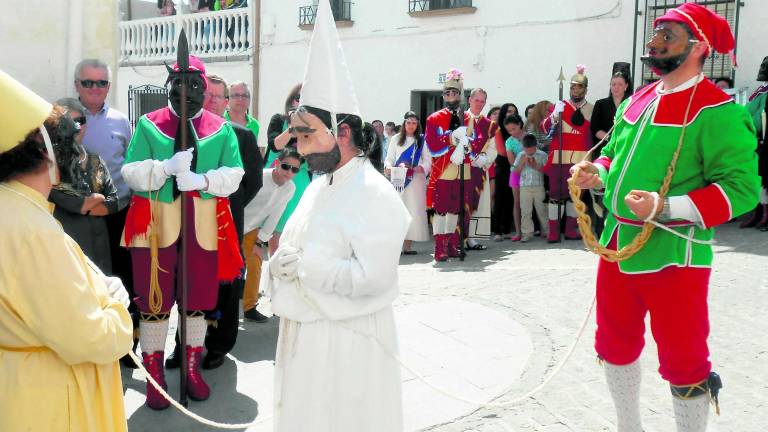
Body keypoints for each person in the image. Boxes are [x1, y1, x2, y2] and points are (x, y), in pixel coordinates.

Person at [570, 4, 759, 430]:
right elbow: (615, 157)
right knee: (614, 344)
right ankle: (628, 426)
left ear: (700, 47)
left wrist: (664, 207)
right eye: (654, 35)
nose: (655, 43)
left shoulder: (718, 110)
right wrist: (595, 175)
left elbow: (741, 190)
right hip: (618, 246)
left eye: (667, 36)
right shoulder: (637, 100)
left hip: (676, 253)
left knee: (684, 357)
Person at [265, 1, 410, 429]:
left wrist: (306, 267)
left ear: (342, 133)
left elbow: (374, 278)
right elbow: (291, 248)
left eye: (308, 135)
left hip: (349, 347)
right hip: (306, 341)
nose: (301, 146)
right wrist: (278, 265)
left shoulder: (377, 196)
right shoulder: (317, 186)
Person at [0, 69, 133, 432]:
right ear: (45, 149)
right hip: (51, 402)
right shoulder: (31, 230)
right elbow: (87, 337)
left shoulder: (14, 208)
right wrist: (117, 310)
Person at [121, 56, 244, 410]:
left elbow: (234, 173)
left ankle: (191, 367)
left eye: (193, 85)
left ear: (204, 90)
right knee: (153, 300)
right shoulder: (148, 124)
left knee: (199, 300)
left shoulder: (220, 129)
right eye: (177, 84)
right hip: (154, 224)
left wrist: (202, 181)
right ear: (168, 87)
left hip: (203, 223)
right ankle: (155, 375)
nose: (184, 92)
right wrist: (163, 169)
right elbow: (130, 170)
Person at [177, 73, 263, 370]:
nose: (211, 101)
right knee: (188, 283)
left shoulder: (242, 135)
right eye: (207, 95)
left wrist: (229, 205)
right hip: (190, 223)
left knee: (225, 287)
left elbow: (252, 183)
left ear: (226, 102)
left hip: (227, 223)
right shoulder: (186, 133)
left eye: (217, 96)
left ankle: (218, 346)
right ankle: (184, 345)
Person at [73, 58, 137, 367]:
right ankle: (94, 340)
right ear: (77, 85)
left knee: (124, 276)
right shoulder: (67, 117)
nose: (95, 88)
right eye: (88, 82)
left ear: (109, 87)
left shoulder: (121, 121)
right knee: (90, 278)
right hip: (81, 217)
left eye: (101, 83)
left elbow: (130, 161)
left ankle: (125, 344)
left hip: (120, 212)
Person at [49, 98, 118, 273]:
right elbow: (55, 194)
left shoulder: (96, 160)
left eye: (80, 121)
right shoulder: (49, 164)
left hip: (99, 245)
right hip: (68, 246)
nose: (76, 127)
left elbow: (113, 201)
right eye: (68, 122)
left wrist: (87, 208)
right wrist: (84, 203)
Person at [241, 147, 299, 321]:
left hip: (252, 229)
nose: (289, 172)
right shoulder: (258, 176)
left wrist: (260, 241)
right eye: (285, 166)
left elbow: (276, 215)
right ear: (276, 163)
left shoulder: (290, 189)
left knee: (256, 263)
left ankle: (250, 307)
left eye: (295, 169)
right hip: (233, 224)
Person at [542, 64, 594, 242]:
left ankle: (571, 229)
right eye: (573, 87)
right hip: (559, 158)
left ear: (585, 90)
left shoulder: (592, 109)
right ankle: (554, 232)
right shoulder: (560, 107)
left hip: (580, 159)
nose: (575, 90)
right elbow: (546, 128)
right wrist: (555, 115)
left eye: (579, 87)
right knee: (556, 195)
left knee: (575, 195)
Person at [265, 83, 312, 251]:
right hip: (278, 177)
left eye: (305, 99)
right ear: (291, 101)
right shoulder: (279, 119)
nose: (301, 102)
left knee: (299, 227)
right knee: (276, 226)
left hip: (300, 178)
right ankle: (274, 270)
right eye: (298, 98)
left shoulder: (315, 126)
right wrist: (292, 129)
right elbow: (274, 145)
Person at [589, 63, 633, 237]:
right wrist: (611, 140)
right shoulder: (601, 104)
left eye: (620, 84)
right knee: (602, 191)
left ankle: (622, 228)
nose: (616, 87)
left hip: (625, 153)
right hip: (606, 152)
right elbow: (595, 128)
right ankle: (601, 230)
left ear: (626, 86)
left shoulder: (631, 103)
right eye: (613, 84)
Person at [385, 111, 432, 254]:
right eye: (408, 122)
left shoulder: (422, 140)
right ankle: (396, 247)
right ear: (404, 123)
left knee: (413, 212)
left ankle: (407, 246)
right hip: (399, 180)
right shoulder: (396, 139)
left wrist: (418, 168)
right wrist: (388, 166)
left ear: (417, 125)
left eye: (414, 123)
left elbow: (428, 161)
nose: (411, 125)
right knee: (398, 211)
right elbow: (389, 158)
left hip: (415, 181)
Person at [463, 88, 497, 250]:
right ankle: (458, 238)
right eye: (477, 100)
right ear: (470, 100)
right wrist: (468, 157)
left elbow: (493, 147)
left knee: (476, 203)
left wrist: (484, 159)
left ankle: (472, 238)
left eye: (483, 101)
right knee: (462, 203)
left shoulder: (489, 125)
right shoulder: (459, 119)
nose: (480, 104)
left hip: (479, 169)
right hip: (461, 169)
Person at [742, 56, 768, 230]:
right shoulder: (763, 92)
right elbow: (749, 116)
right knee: (760, 179)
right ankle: (759, 214)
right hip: (761, 141)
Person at [513, 134, 548, 242]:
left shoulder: (542, 155)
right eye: (527, 151)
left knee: (542, 209)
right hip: (525, 187)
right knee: (525, 211)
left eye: (532, 151)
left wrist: (536, 166)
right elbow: (515, 172)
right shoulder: (520, 155)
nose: (529, 153)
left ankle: (547, 231)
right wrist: (522, 163)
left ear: (535, 146)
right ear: (523, 147)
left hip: (539, 186)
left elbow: (547, 170)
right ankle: (527, 233)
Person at [491, 103, 518, 241]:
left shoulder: (518, 128)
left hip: (516, 167)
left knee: (511, 198)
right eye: (508, 111)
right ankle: (497, 230)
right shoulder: (497, 129)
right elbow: (502, 151)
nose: (511, 114)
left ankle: (507, 228)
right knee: (500, 198)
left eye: (513, 111)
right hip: (502, 166)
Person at [226, 81, 265, 156]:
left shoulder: (254, 124)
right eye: (236, 95)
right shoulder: (220, 122)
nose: (240, 99)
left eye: (244, 95)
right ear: (227, 100)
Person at [504, 114, 525, 241]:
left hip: (531, 174)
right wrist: (522, 163)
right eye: (509, 130)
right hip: (516, 174)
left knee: (530, 202)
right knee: (517, 203)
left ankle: (533, 229)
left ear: (519, 125)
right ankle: (518, 232)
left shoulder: (529, 137)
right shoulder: (509, 141)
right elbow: (512, 162)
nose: (512, 132)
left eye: (514, 129)